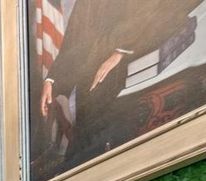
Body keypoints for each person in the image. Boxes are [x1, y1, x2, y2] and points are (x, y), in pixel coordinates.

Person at [40, 0, 202, 164]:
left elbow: (149, 11)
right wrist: (52, 80)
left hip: (130, 66)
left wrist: (120, 51)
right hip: (90, 83)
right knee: (84, 144)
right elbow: (75, 39)